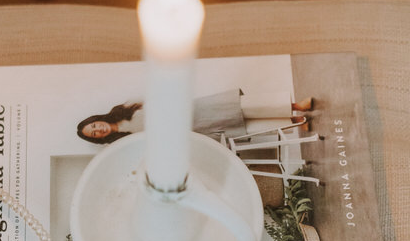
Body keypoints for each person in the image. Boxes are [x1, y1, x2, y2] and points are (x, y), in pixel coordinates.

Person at [77, 90, 313, 144]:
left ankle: (295, 106)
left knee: (244, 109)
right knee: (244, 129)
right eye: (95, 134)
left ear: (97, 119)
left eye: (94, 126)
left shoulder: (124, 109)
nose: (99, 130)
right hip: (191, 132)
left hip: (193, 112)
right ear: (98, 138)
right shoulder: (123, 141)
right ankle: (293, 122)